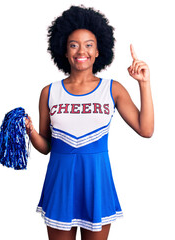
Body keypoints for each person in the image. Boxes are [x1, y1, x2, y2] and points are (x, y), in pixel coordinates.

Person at [25, 5, 154, 240]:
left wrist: (144, 83)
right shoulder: (49, 92)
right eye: (73, 44)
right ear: (64, 50)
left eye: (89, 44)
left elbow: (146, 130)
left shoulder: (112, 89)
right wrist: (31, 131)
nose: (81, 50)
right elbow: (45, 147)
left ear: (97, 51)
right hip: (60, 182)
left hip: (97, 182)